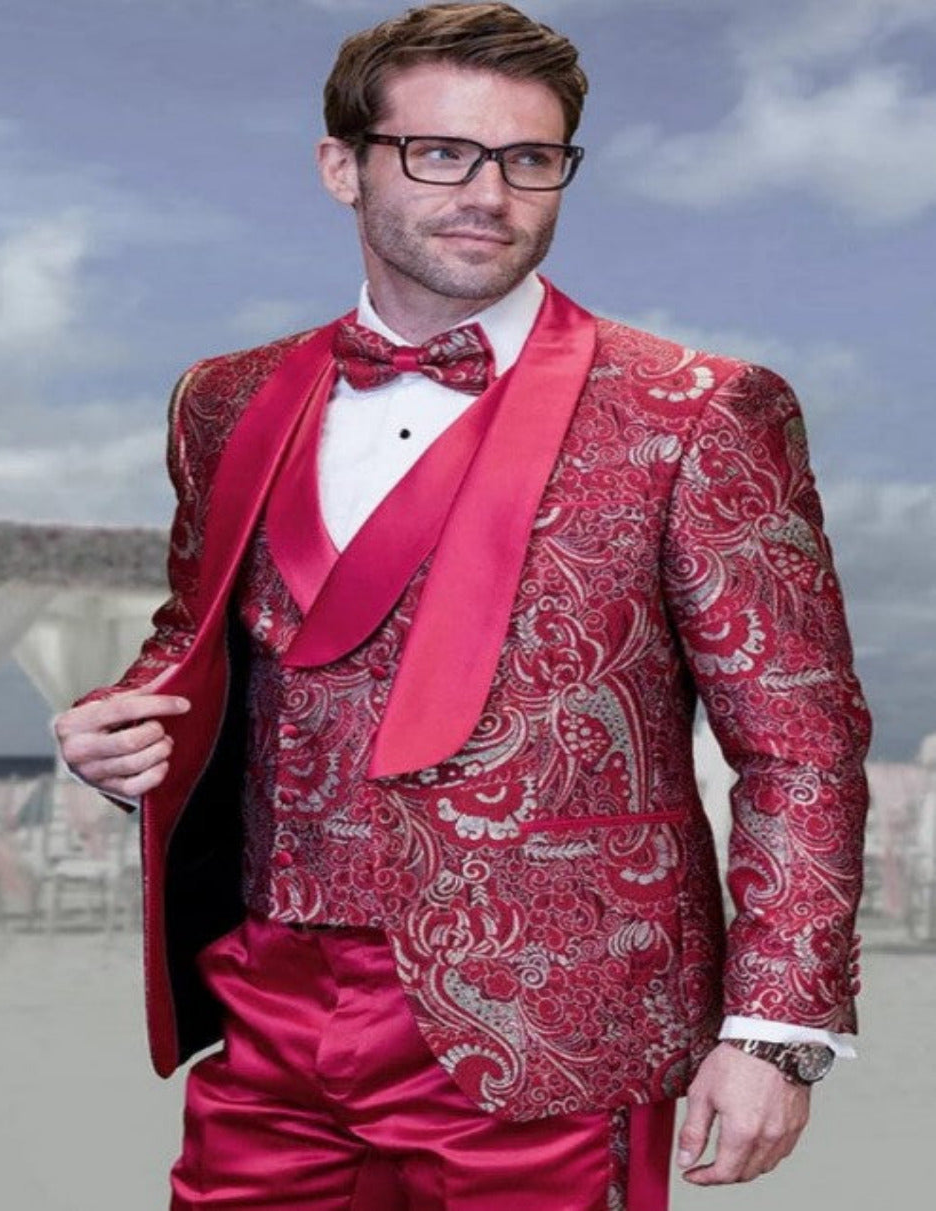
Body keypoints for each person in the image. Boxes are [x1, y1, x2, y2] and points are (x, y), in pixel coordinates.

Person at [53, 4, 871, 1208]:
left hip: (555, 1017)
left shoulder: (701, 408)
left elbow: (801, 741)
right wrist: (122, 728)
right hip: (269, 995)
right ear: (343, 167)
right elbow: (199, 640)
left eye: (529, 159)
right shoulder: (221, 399)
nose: (490, 193)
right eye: (441, 152)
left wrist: (775, 1030)